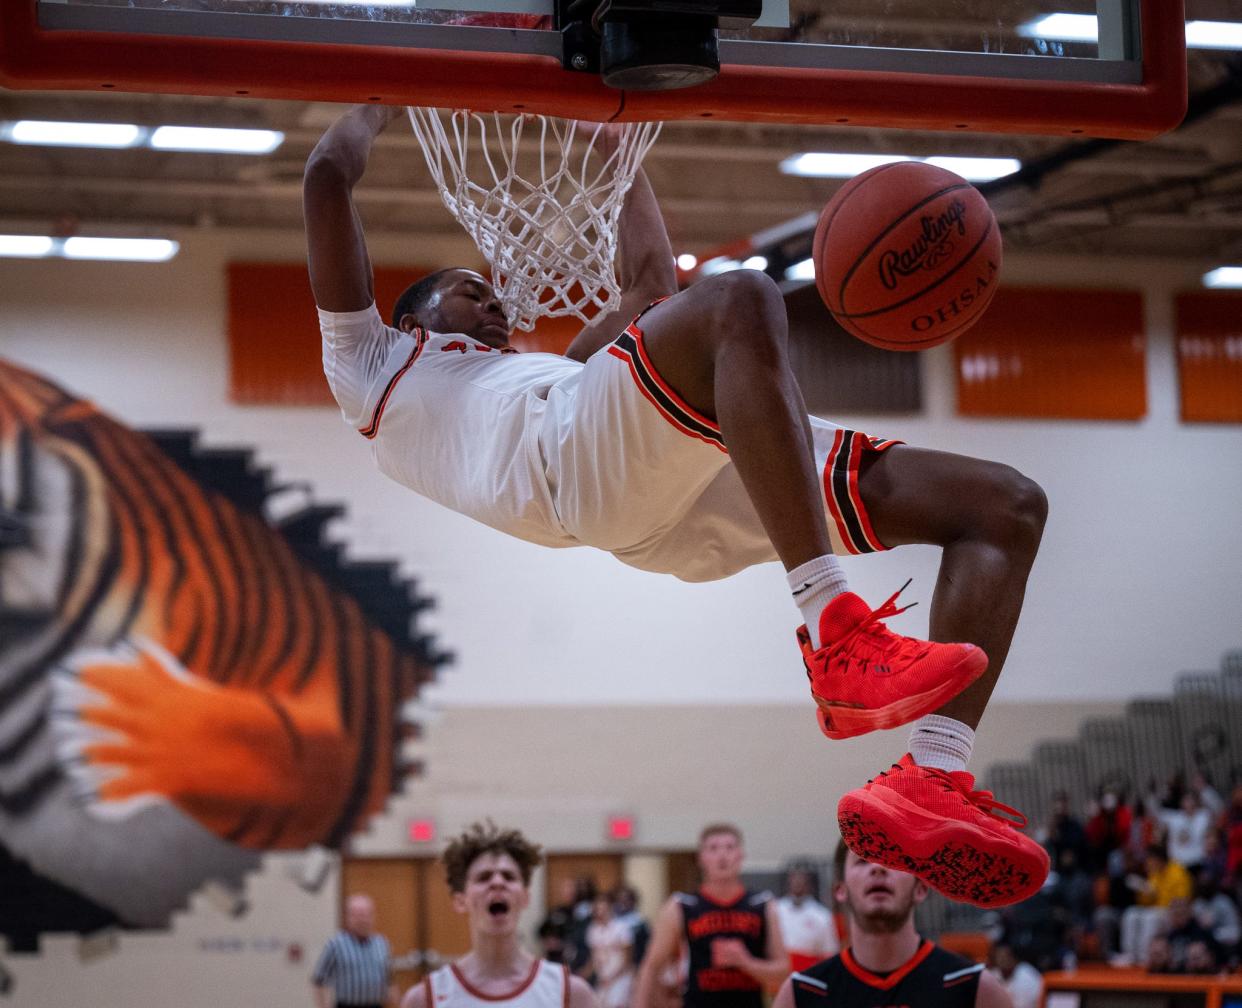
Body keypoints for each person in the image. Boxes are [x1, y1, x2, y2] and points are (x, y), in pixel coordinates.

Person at [305, 105, 1050, 906]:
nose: (493, 303)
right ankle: (834, 627)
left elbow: (650, 289)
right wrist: (382, 97)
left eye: (493, 295)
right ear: (415, 319)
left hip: (658, 484)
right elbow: (326, 176)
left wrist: (620, 154)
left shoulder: (550, 372)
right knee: (740, 300)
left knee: (1004, 508)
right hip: (572, 473)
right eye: (470, 291)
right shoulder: (372, 366)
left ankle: (932, 773)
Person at [771, 840, 1012, 1008]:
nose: (878, 868)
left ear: (920, 888)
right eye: (863, 860)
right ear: (840, 890)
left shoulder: (976, 988)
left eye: (894, 859)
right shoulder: (801, 994)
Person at [401, 822, 596, 1008]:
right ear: (460, 901)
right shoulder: (425, 998)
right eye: (483, 877)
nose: (497, 882)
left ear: (525, 897)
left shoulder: (571, 992)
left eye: (509, 876)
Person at [634, 824, 787, 1008]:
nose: (722, 856)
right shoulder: (682, 905)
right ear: (701, 858)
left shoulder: (762, 904)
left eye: (730, 847)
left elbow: (783, 972)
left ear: (741, 855)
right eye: (713, 848)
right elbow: (651, 967)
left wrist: (746, 962)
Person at [312, 893, 399, 1008]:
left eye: (366, 915)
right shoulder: (335, 945)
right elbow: (319, 980)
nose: (363, 920)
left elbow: (390, 979)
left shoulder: (382, 943)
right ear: (348, 917)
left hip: (375, 1005)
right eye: (358, 915)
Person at [775, 869, 839, 972]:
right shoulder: (775, 909)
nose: (797, 884)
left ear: (809, 885)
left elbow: (829, 952)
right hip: (778, 971)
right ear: (788, 883)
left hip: (807, 971)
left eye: (801, 881)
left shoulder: (821, 915)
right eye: (794, 880)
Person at [587, 893, 635, 1008]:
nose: (600, 911)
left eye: (603, 907)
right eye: (597, 907)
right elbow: (594, 958)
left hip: (620, 977)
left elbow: (628, 960)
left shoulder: (622, 927)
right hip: (603, 977)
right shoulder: (593, 929)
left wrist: (612, 978)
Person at [987, 944, 1042, 1008]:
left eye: (1006, 956)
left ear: (1014, 958)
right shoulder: (993, 974)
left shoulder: (1026, 975)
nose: (1003, 960)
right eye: (999, 957)